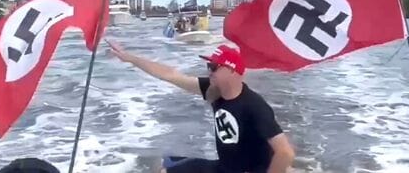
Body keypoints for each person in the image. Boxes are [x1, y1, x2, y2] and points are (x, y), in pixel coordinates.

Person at [106, 40, 295, 173]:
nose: (209, 71)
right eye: (209, 66)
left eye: (214, 67)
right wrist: (129, 58)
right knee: (165, 169)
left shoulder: (254, 106)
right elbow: (170, 75)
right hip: (224, 167)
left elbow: (285, 152)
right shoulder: (213, 91)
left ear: (231, 70)